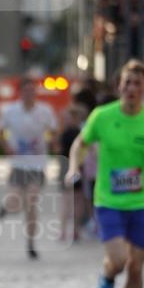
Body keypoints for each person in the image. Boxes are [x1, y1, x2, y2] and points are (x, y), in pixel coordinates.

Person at [66, 59, 144, 288]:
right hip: (109, 201)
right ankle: (107, 277)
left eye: (137, 83)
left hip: (142, 204)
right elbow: (80, 143)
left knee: (137, 269)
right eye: (127, 82)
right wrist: (74, 167)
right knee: (119, 260)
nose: (131, 88)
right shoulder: (102, 116)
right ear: (119, 86)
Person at [0, 76, 58, 259]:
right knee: (15, 200)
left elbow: (54, 130)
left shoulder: (44, 111)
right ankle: (7, 206)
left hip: (37, 165)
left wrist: (52, 143)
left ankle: (31, 243)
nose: (29, 94)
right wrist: (8, 148)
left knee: (31, 202)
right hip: (18, 164)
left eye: (32, 91)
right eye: (26, 91)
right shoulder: (10, 111)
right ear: (20, 93)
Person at [58, 103, 86, 243]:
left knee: (68, 200)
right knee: (76, 200)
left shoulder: (66, 133)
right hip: (77, 168)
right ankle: (74, 230)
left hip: (66, 168)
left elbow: (58, 149)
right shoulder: (81, 133)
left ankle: (64, 231)